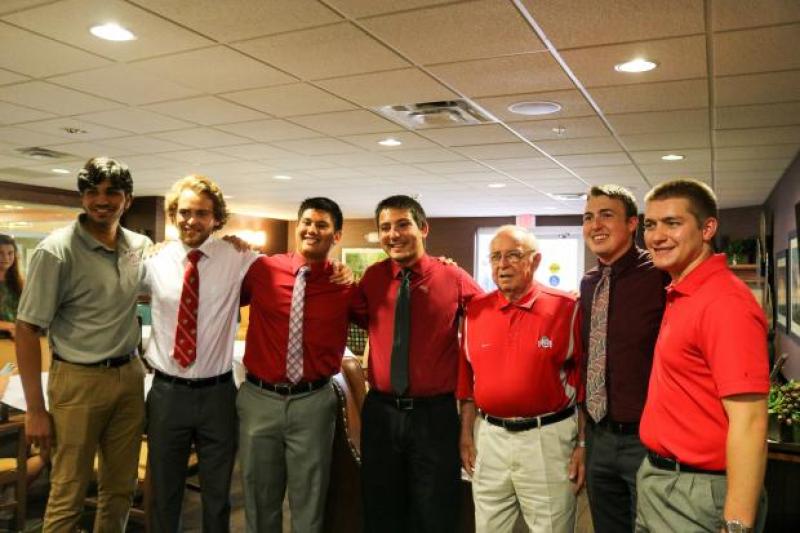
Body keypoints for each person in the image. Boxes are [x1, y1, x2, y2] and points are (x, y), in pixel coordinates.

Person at [15, 157, 151, 533]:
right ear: (82, 197)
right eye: (91, 192)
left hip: (129, 376)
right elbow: (26, 331)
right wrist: (34, 410)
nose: (101, 200)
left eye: (111, 192)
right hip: (77, 382)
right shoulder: (56, 251)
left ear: (128, 198)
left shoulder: (139, 246)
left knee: (120, 490)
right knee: (68, 493)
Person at [636, 178, 769, 533]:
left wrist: (737, 525)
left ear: (708, 228)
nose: (657, 236)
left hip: (698, 493)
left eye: (673, 223)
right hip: (660, 480)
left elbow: (751, 421)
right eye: (650, 224)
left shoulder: (724, 303)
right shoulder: (682, 290)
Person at [354, 194, 482, 533]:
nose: (393, 234)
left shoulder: (453, 277)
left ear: (423, 228)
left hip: (434, 416)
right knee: (381, 507)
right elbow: (349, 314)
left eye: (402, 224)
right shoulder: (372, 279)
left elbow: (493, 314)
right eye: (385, 228)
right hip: (381, 412)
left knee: (436, 508)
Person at [142, 175, 258, 532]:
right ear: (174, 214)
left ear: (216, 219)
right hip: (166, 394)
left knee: (218, 494)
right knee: (164, 492)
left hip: (218, 396)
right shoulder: (152, 260)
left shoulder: (238, 258)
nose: (190, 220)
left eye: (201, 214)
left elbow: (290, 272)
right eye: (184, 212)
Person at [237, 197, 353, 533]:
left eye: (322, 225)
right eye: (307, 222)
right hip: (260, 399)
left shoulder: (343, 285)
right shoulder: (263, 270)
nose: (311, 230)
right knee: (259, 499)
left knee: (310, 501)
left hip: (313, 403)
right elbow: (219, 296)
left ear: (337, 235)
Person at [458, 225, 584, 533]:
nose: (503, 265)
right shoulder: (475, 311)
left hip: (547, 439)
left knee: (551, 528)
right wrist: (466, 435)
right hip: (489, 438)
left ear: (536, 260)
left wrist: (583, 443)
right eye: (496, 256)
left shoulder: (567, 308)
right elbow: (467, 383)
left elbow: (584, 385)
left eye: (514, 255)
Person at [579, 185, 669, 533]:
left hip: (647, 440)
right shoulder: (589, 284)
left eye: (606, 215)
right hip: (599, 438)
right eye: (588, 217)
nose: (595, 225)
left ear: (633, 223)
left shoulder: (660, 274)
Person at [0, 234, 23, 339]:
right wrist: (8, 326)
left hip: (16, 340)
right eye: (0, 253)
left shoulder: (20, 283)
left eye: (10, 253)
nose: (6, 258)